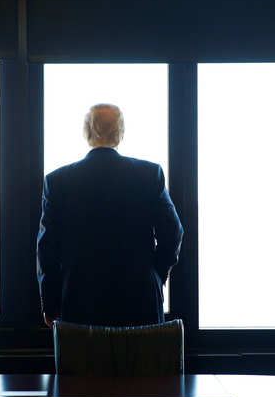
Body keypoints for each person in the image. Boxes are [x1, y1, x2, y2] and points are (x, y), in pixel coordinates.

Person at [36, 103, 183, 328]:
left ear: (87, 132)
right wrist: (154, 275)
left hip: (79, 300)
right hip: (140, 298)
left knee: (85, 363)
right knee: (141, 362)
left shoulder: (58, 182)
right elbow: (173, 233)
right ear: (120, 134)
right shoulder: (149, 175)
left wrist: (50, 301)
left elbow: (46, 248)